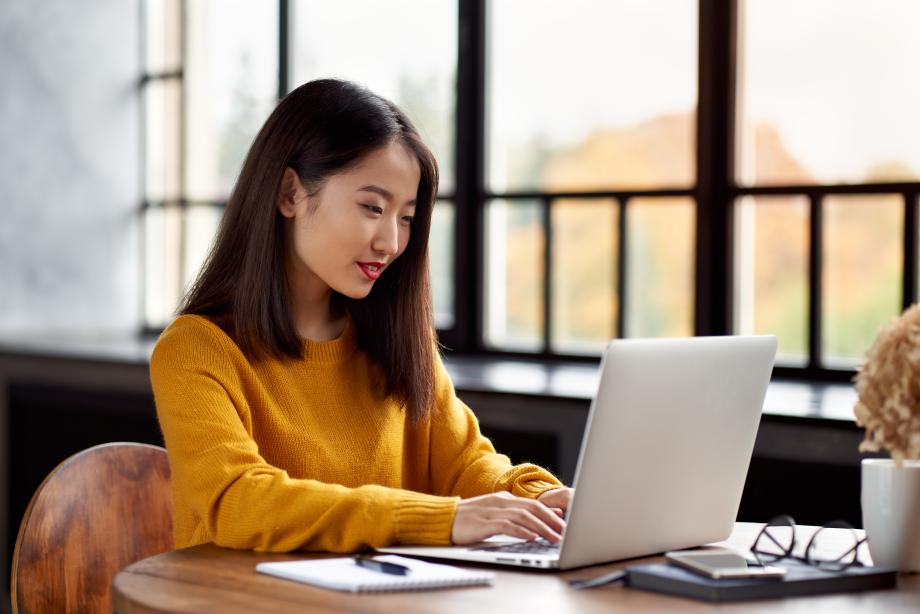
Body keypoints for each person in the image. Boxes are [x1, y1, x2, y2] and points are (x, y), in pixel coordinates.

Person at [150, 78, 572, 553]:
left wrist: (542, 501)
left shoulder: (394, 343)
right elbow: (239, 501)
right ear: (289, 193)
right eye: (373, 207)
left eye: (407, 217)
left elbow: (468, 467)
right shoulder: (195, 350)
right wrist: (438, 518)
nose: (390, 242)